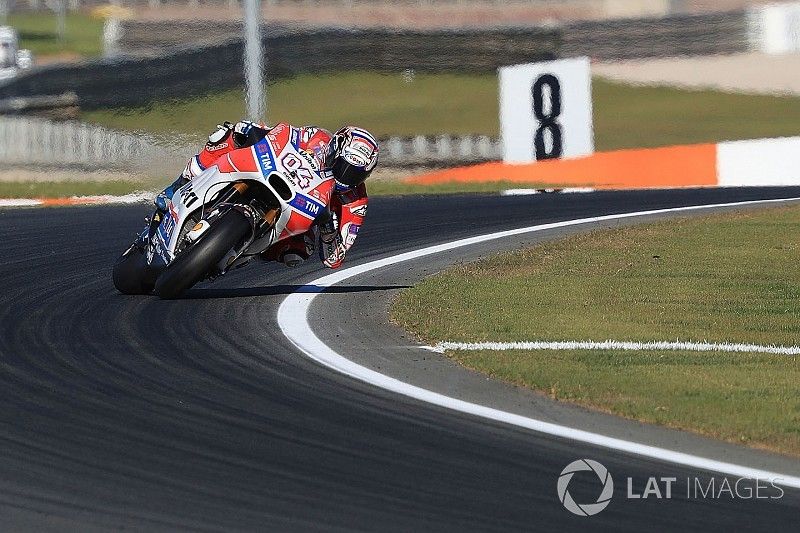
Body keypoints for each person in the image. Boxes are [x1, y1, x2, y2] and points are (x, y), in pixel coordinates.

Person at [155, 120, 378, 269]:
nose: (347, 177)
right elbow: (283, 135)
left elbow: (334, 259)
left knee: (299, 253)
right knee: (228, 134)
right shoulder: (318, 137)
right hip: (272, 173)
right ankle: (179, 185)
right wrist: (256, 130)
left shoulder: (355, 201)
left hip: (297, 214)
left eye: (356, 174)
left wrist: (329, 231)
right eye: (344, 167)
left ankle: (243, 249)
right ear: (335, 148)